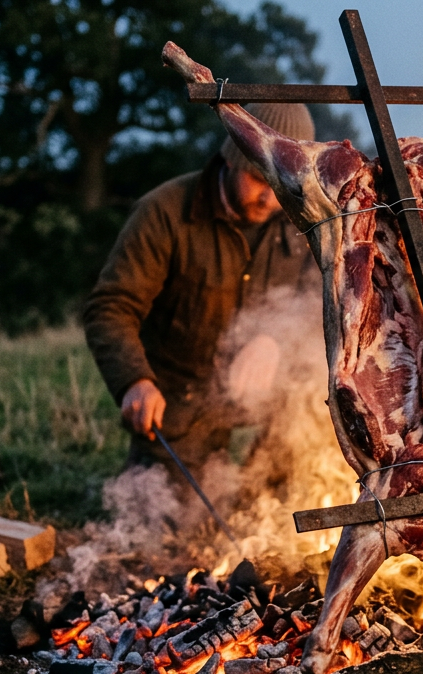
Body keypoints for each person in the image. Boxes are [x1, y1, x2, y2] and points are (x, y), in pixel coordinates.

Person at [82, 103, 317, 475]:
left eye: (281, 185)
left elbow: (320, 301)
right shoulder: (164, 211)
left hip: (275, 396)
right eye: (259, 179)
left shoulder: (303, 217)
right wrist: (134, 380)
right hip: (181, 404)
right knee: (167, 506)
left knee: (303, 464)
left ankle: (270, 486)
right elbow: (111, 307)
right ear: (232, 160)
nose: (270, 198)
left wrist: (274, 339)